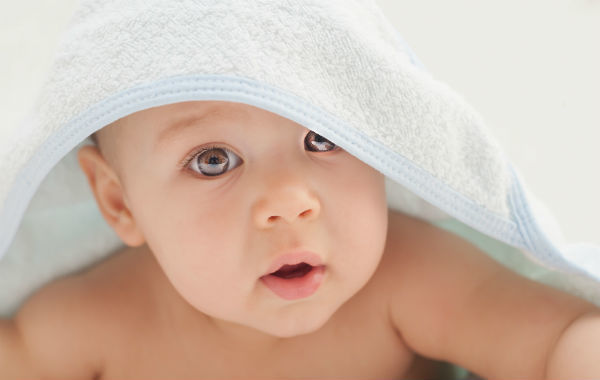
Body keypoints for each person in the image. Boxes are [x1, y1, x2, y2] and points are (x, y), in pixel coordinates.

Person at [1, 99, 599, 379]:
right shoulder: (100, 322)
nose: (292, 199)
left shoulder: (407, 278)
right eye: (213, 159)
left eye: (323, 138)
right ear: (119, 201)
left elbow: (562, 339)